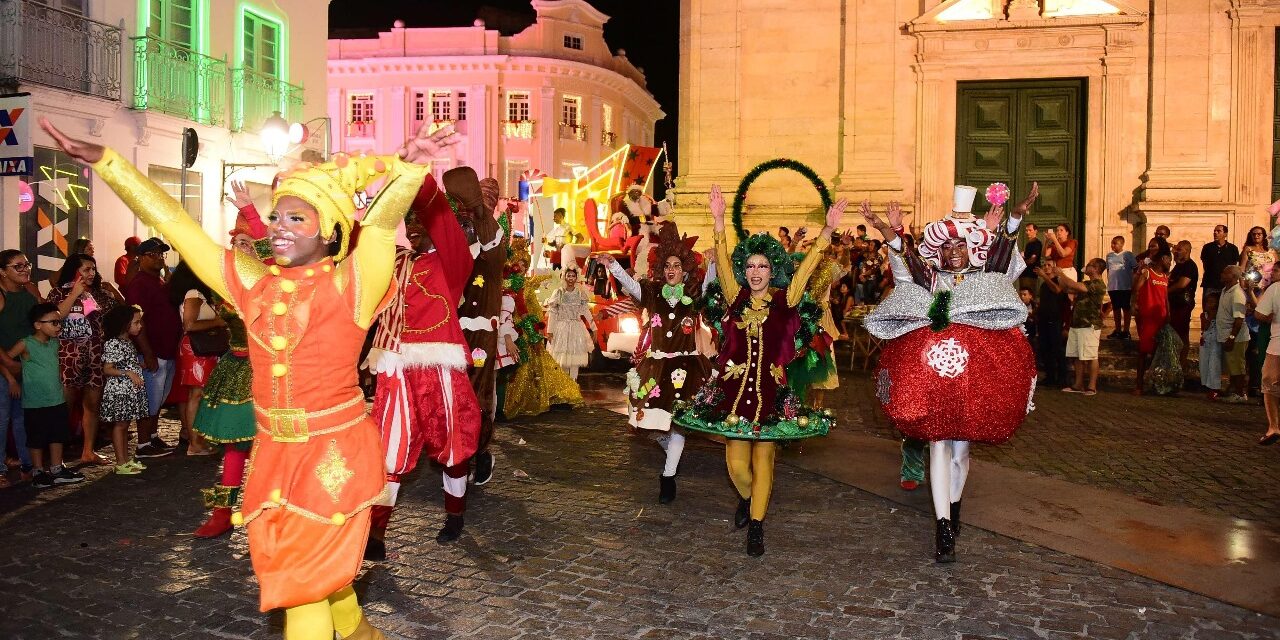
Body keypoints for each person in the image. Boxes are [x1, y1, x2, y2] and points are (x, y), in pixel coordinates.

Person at [41, 115, 457, 639]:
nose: (279, 226)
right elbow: (177, 225)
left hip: (332, 453)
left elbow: (376, 226)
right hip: (275, 453)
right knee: (313, 577)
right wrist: (108, 162)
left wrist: (407, 168)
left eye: (296, 219)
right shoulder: (251, 282)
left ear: (329, 230)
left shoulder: (354, 282)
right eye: (276, 217)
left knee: (303, 587)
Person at [863, 183, 1038, 564]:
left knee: (960, 452)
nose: (954, 253)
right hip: (935, 379)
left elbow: (1004, 252)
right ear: (938, 251)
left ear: (971, 249)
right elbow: (904, 261)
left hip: (974, 381)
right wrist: (886, 229)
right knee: (938, 444)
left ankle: (954, 507)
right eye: (947, 247)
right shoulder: (931, 280)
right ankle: (942, 525)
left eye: (960, 246)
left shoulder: (986, 275)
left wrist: (1016, 217)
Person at [675, 184, 845, 557]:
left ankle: (757, 524)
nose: (756, 271)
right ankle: (751, 500)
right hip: (732, 397)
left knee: (764, 458)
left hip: (772, 394)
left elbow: (808, 268)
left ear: (773, 271)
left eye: (763, 266)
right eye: (750, 265)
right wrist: (718, 220)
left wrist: (827, 233)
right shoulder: (735, 296)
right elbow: (720, 257)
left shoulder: (788, 300)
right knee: (736, 464)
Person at [364, 171, 481, 551]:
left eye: (419, 222)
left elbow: (443, 223)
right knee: (389, 448)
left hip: (439, 367)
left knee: (452, 442)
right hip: (394, 365)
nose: (413, 229)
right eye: (408, 223)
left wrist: (420, 183)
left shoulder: (453, 263)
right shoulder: (393, 260)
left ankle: (455, 513)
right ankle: (376, 533)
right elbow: (355, 239)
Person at [601, 219, 711, 504]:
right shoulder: (651, 293)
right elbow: (630, 285)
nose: (671, 270)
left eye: (677, 265)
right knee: (648, 425)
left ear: (685, 270)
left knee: (677, 426)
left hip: (688, 370)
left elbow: (711, 289)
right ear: (662, 270)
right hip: (657, 368)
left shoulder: (694, 295)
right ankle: (670, 455)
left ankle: (668, 476)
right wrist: (612, 265)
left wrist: (712, 264)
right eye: (667, 266)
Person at [191, 211, 267, 538]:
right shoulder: (227, 283)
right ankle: (222, 513)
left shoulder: (276, 280)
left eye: (248, 243)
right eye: (236, 243)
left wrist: (251, 212)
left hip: (272, 373)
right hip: (236, 369)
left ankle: (271, 515)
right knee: (235, 449)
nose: (242, 249)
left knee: (273, 448)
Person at [453, 170, 508, 489]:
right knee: (454, 391)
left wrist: (480, 215)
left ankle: (480, 451)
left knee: (478, 392)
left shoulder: (492, 238)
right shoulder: (460, 235)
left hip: (481, 332)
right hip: (451, 329)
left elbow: (492, 253)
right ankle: (459, 453)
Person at [46, 253, 122, 465]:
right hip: (68, 359)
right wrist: (74, 295)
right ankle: (56, 458)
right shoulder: (58, 293)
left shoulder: (99, 294)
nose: (91, 273)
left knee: (92, 406)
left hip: (95, 357)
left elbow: (120, 314)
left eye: (93, 269)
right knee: (64, 408)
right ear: (74, 271)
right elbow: (54, 317)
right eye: (86, 269)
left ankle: (88, 451)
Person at [2, 303, 84, 488]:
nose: (58, 326)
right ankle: (38, 471)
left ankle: (56, 469)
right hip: (34, 402)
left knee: (57, 435)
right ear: (38, 325)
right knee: (36, 438)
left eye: (59, 322)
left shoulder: (56, 344)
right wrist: (12, 380)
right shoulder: (26, 343)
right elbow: (6, 360)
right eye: (54, 322)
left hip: (56, 399)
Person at [122, 238, 179, 458]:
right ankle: (143, 444)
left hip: (166, 349)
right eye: (153, 254)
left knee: (159, 398)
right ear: (141, 257)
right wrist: (147, 352)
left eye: (161, 254)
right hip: (152, 350)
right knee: (149, 398)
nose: (158, 258)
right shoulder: (140, 283)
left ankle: (153, 436)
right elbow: (137, 321)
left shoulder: (160, 281)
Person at [171, 261, 221, 456]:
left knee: (199, 395)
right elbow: (189, 325)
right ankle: (195, 443)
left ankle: (198, 440)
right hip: (197, 350)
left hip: (200, 349)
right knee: (197, 395)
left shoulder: (196, 294)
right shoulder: (193, 294)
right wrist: (218, 321)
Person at [0, 249, 38, 486]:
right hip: (5, 366)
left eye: (27, 265)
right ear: (3, 272)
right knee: (2, 419)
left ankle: (28, 464)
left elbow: (42, 324)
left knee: (23, 419)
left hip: (25, 367)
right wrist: (7, 364)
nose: (25, 270)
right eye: (18, 266)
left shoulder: (29, 293)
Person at [99, 305, 150, 475]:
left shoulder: (126, 341)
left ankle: (125, 460)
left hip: (127, 390)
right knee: (120, 425)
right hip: (119, 390)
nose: (140, 326)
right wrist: (127, 372)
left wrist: (135, 366)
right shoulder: (114, 343)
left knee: (125, 425)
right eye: (136, 322)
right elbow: (107, 368)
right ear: (124, 324)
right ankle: (121, 461)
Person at [1058, 259, 1107, 395]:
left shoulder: (1098, 285)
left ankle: (1092, 386)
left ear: (1096, 268)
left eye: (1090, 265)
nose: (1087, 267)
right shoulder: (1087, 283)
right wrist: (1059, 276)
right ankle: (1078, 384)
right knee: (1077, 355)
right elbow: (1067, 287)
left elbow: (1074, 285)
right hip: (1077, 323)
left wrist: (1061, 274)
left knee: (1091, 356)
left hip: (1089, 324)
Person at [1133, 242, 1172, 394]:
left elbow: (1165, 298)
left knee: (1158, 353)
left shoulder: (1164, 277)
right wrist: (1134, 305)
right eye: (1169, 260)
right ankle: (1139, 385)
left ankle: (1156, 384)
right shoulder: (1147, 273)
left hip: (1161, 318)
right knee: (1143, 352)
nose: (1170, 263)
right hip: (1148, 318)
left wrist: (1168, 314)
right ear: (1163, 259)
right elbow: (1136, 289)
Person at [545, 266, 595, 380]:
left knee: (574, 359)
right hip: (561, 328)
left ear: (576, 277)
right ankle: (564, 386)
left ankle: (573, 384)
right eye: (569, 275)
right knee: (563, 359)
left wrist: (594, 327)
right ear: (564, 277)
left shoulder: (580, 294)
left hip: (576, 329)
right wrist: (550, 331)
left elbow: (586, 312)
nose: (571, 278)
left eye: (573, 276)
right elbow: (553, 313)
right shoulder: (559, 293)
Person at [1218, 265, 1252, 403]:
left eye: (1225, 272)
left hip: (1236, 337)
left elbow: (1239, 319)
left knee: (1238, 365)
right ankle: (1233, 389)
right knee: (1232, 365)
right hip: (1226, 334)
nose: (1222, 274)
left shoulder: (1237, 293)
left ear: (1233, 276)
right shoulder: (1225, 290)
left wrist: (1231, 337)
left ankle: (1240, 393)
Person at [1253, 278, 1280, 445]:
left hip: (1277, 346)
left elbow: (1260, 314)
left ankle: (1274, 427)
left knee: (1269, 385)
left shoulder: (1276, 288)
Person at [1034, 262, 1069, 387]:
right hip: (1044, 321)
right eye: (1044, 265)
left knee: (1058, 350)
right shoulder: (1043, 285)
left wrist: (1044, 276)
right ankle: (1050, 377)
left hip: (1056, 321)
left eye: (1049, 265)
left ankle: (1062, 379)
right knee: (1045, 349)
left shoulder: (1059, 281)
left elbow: (1057, 290)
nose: (1046, 267)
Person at [1168, 240, 1200, 377]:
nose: (1176, 252)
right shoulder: (1178, 266)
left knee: (1182, 334)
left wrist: (1165, 291)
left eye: (1179, 249)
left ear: (1187, 251)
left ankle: (1181, 363)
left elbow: (1182, 284)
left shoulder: (1189, 266)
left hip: (1183, 304)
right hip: (1174, 304)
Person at [1105, 236, 1137, 340]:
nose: (1113, 245)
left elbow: (1135, 269)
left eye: (1115, 243)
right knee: (1116, 308)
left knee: (1126, 308)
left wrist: (1133, 283)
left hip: (1125, 286)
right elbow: (1109, 270)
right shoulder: (1109, 256)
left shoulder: (1128, 255)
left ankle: (1126, 330)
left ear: (1122, 244)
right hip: (1113, 287)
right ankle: (1117, 330)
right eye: (1112, 243)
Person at [1201, 225, 1240, 306]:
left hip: (1226, 285)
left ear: (1225, 234)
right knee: (1208, 308)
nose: (1215, 233)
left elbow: (1234, 266)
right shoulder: (1207, 247)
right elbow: (1205, 264)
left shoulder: (1232, 248)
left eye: (1218, 231)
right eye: (1214, 231)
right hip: (1210, 284)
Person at [1200, 292, 1223, 399]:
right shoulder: (1203, 315)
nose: (1210, 304)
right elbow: (1205, 326)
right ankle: (1206, 385)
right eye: (1208, 302)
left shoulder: (1220, 315)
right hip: (1206, 341)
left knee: (1214, 364)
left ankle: (1214, 388)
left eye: (1212, 302)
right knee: (1205, 363)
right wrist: (1209, 316)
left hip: (1215, 341)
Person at [1019, 223, 1042, 293]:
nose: (1027, 232)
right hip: (1025, 274)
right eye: (1026, 230)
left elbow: (1032, 260)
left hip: (1030, 275)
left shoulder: (1036, 243)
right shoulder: (1029, 243)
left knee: (1028, 295)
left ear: (1036, 231)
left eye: (1030, 230)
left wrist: (1022, 261)